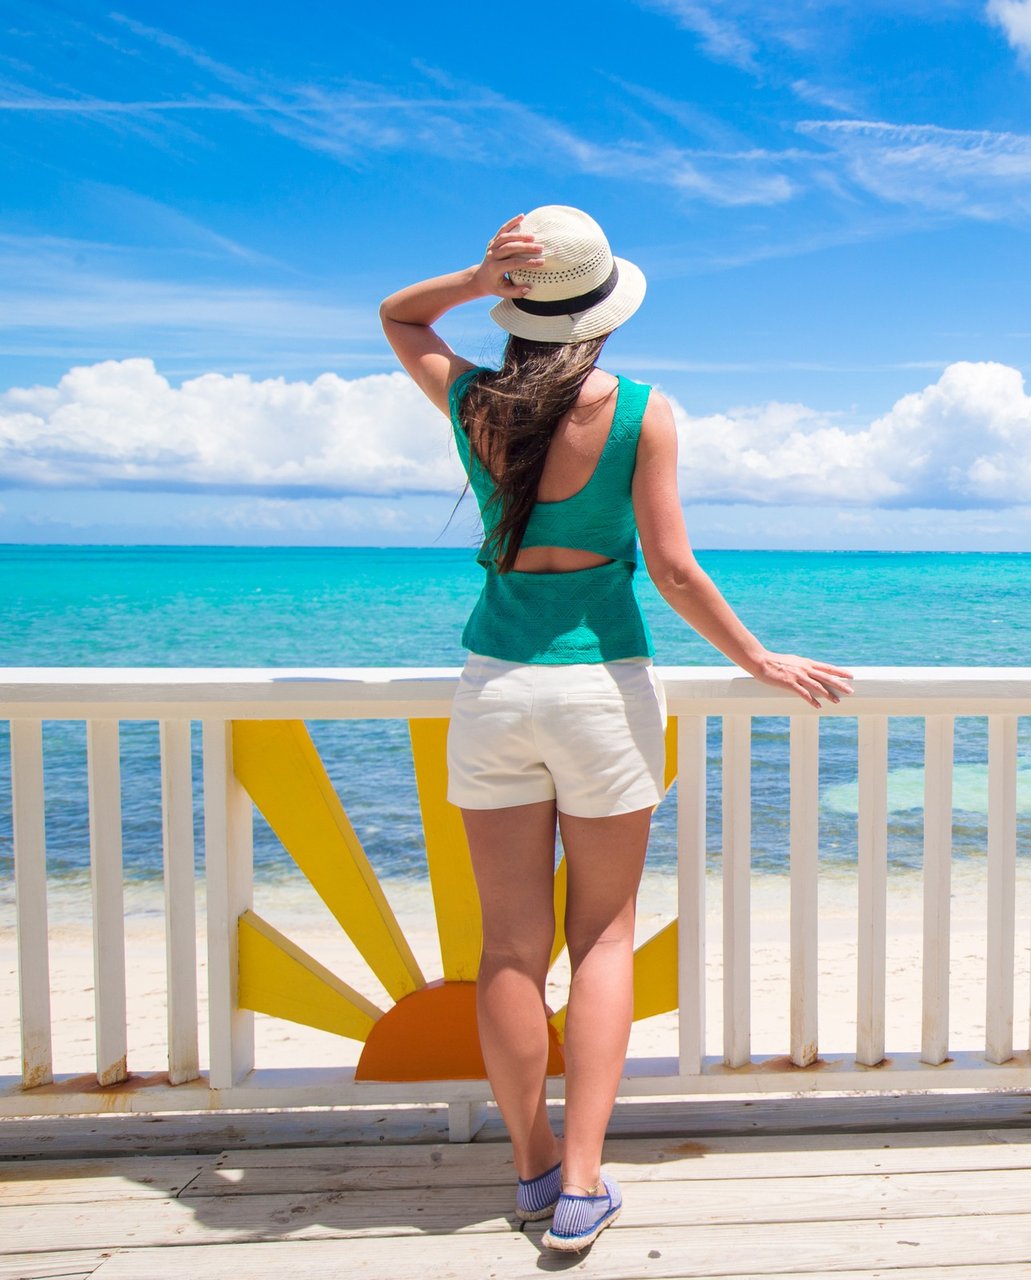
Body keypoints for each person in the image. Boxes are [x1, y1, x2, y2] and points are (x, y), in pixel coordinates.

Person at [379, 205, 853, 1253]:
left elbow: (398, 319)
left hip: (496, 687)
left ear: (519, 302)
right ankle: (586, 1180)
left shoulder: (475, 403)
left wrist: (474, 277)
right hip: (602, 694)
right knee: (599, 936)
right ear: (602, 308)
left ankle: (532, 1165)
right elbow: (674, 568)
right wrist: (761, 659)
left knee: (509, 945)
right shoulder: (640, 411)